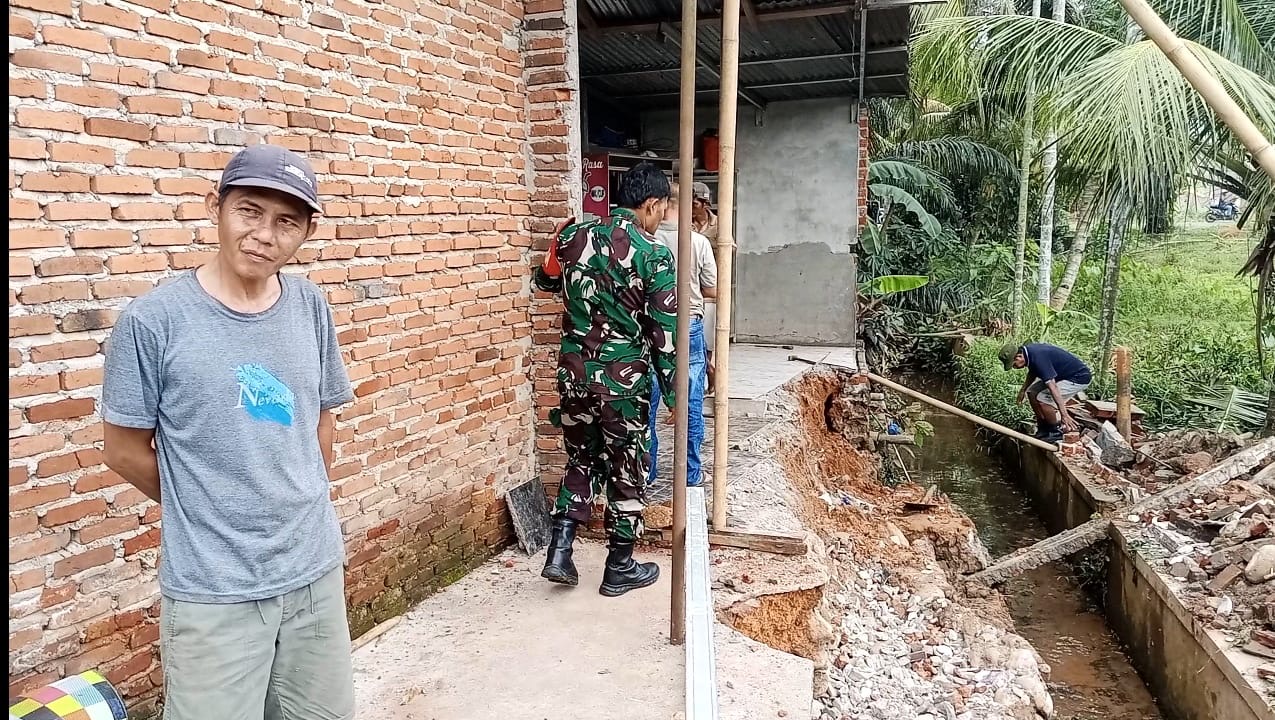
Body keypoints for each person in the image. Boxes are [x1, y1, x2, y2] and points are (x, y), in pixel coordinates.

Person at [101, 145, 355, 720]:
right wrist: (209, 507)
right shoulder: (154, 321)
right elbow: (121, 450)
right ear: (215, 207)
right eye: (249, 211)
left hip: (313, 572)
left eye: (286, 221)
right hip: (214, 589)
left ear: (306, 233)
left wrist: (295, 501)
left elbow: (320, 420)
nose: (264, 234)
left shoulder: (310, 306)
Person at [534, 162, 677, 597]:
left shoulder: (572, 235)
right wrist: (674, 394)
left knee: (581, 460)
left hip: (575, 377)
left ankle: (560, 552)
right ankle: (620, 566)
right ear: (650, 205)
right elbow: (663, 334)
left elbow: (544, 281)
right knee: (625, 468)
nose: (663, 219)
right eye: (664, 210)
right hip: (623, 385)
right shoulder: (653, 255)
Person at [649, 181, 717, 487]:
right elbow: (713, 288)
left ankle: (646, 472)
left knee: (645, 400)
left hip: (649, 326)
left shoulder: (644, 239)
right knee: (689, 399)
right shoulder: (697, 242)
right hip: (687, 323)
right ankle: (690, 473)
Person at [999, 342, 1093, 443]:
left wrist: (1064, 415)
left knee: (1044, 399)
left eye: (1014, 365)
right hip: (1060, 375)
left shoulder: (1038, 358)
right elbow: (1033, 371)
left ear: (1018, 357)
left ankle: (1055, 431)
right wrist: (1023, 390)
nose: (1015, 368)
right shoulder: (1029, 353)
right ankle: (1043, 427)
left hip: (1078, 377)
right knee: (1032, 392)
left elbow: (1053, 388)